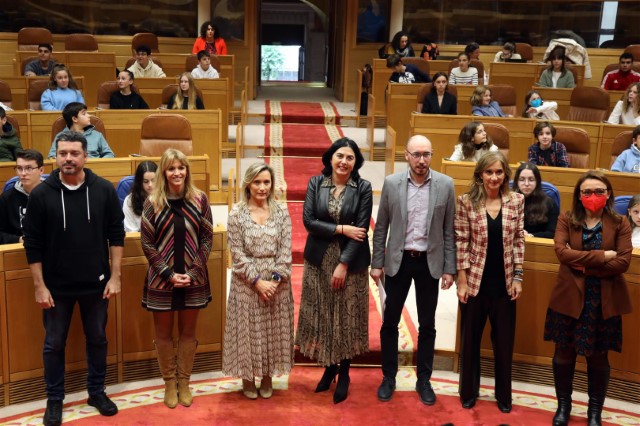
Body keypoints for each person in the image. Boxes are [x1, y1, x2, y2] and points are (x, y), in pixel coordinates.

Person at [23, 130, 125, 425]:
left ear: (85, 156)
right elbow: (33, 245)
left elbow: (116, 235)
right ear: (55, 155)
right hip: (56, 289)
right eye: (63, 153)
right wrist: (39, 286)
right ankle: (54, 400)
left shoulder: (104, 189)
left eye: (74, 153)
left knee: (98, 339)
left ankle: (96, 392)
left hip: (97, 285)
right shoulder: (41, 195)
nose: (68, 158)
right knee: (54, 344)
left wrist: (115, 277)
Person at [372, 135, 456, 405]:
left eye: (426, 154)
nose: (422, 160)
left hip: (429, 263)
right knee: (390, 322)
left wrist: (449, 268)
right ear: (406, 155)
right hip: (399, 261)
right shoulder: (391, 183)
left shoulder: (445, 185)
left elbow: (449, 231)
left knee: (428, 325)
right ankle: (389, 377)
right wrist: (376, 263)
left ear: (432, 155)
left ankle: (424, 380)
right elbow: (381, 226)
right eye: (416, 154)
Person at [544, 170, 632, 426]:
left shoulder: (620, 222)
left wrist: (581, 264)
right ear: (578, 195)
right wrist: (603, 256)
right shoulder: (566, 218)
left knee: (598, 357)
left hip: (603, 300)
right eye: (587, 192)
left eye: (599, 191)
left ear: (608, 194)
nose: (593, 196)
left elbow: (623, 262)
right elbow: (561, 253)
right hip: (569, 295)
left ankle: (595, 412)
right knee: (563, 352)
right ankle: (564, 406)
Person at [296, 137, 372, 405]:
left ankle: (346, 371)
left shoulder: (363, 187)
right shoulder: (316, 184)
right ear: (330, 158)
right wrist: (340, 228)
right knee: (326, 312)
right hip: (319, 259)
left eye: (350, 158)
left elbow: (360, 230)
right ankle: (330, 366)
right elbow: (309, 221)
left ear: (355, 162)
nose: (344, 161)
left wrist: (343, 264)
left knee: (346, 316)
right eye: (340, 156)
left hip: (349, 262)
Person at [140, 149, 213, 409]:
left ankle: (185, 381)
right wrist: (168, 274)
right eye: (171, 168)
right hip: (161, 280)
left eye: (181, 167)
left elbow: (207, 238)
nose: (177, 173)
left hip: (194, 278)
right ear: (164, 172)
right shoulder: (153, 202)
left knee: (188, 333)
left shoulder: (200, 199)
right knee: (163, 333)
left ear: (187, 170)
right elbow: (147, 244)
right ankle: (169, 383)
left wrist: (192, 273)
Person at [454, 151, 524, 413]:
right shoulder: (466, 202)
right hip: (474, 283)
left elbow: (518, 240)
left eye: (499, 172)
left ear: (505, 174)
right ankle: (468, 391)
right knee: (470, 341)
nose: (494, 177)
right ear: (480, 174)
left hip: (505, 284)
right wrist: (462, 281)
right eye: (489, 172)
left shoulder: (516, 201)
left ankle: (503, 395)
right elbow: (461, 241)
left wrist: (518, 277)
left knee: (504, 343)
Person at [223, 163, 294, 400]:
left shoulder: (281, 212)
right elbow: (238, 255)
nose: (262, 187)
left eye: (266, 182)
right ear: (248, 184)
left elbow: (285, 251)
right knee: (248, 331)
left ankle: (267, 376)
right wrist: (257, 282)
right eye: (257, 182)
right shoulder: (237, 214)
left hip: (277, 282)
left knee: (271, 331)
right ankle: (247, 377)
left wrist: (273, 281)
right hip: (247, 283)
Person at [0, 149, 43, 244]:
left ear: (41, 170)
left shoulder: (52, 193)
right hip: (18, 249)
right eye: (19, 168)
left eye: (29, 168)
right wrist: (18, 240)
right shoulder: (6, 198)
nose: (23, 173)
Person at [48, 102, 115, 159]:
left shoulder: (97, 135)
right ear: (75, 119)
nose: (89, 116)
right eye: (84, 114)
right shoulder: (60, 136)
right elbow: (52, 157)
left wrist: (97, 163)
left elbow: (109, 154)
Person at [512, 162, 559, 238]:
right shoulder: (508, 201)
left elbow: (553, 233)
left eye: (531, 179)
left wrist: (530, 236)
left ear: (537, 182)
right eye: (522, 179)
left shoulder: (549, 203)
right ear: (516, 182)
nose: (526, 184)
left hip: (538, 246)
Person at [123, 161, 157, 232]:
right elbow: (131, 232)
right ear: (139, 182)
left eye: (153, 180)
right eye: (146, 181)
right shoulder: (130, 200)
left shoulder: (166, 196)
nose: (150, 185)